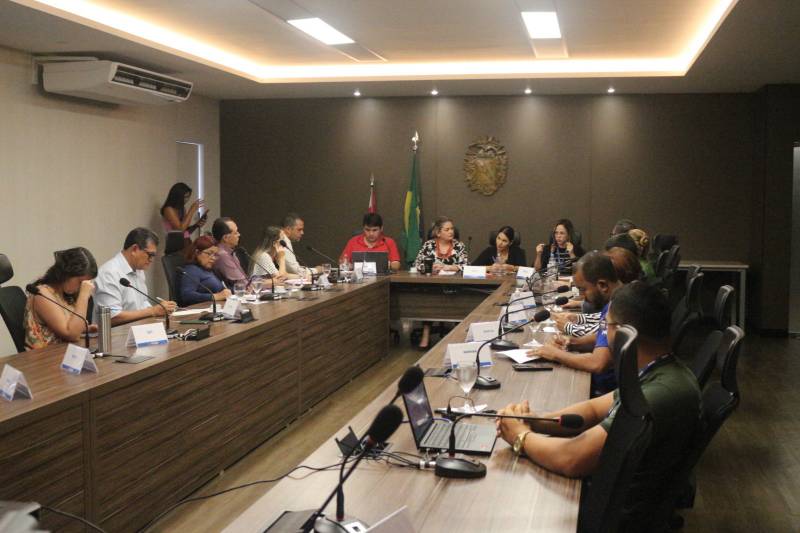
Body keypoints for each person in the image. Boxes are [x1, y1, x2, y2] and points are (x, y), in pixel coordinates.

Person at [496, 281, 701, 529]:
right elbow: (593, 410)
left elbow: (572, 458)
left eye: (606, 326)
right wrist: (534, 420)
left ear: (625, 334)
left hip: (614, 515)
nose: (603, 334)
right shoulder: (658, 371)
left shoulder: (661, 392)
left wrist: (521, 437)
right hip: (614, 494)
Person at [529, 252, 623, 396]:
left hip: (605, 391)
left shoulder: (620, 307)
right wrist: (572, 343)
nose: (582, 297)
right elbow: (603, 337)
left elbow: (598, 363)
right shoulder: (614, 302)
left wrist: (556, 354)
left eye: (583, 289)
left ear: (603, 285)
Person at [94, 228, 177, 326]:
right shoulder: (109, 273)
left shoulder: (139, 270)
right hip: (115, 333)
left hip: (137, 329)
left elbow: (143, 304)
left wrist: (161, 310)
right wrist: (153, 311)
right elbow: (112, 317)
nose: (151, 260)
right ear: (134, 249)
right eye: (150, 255)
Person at [24, 247, 98, 350]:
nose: (82, 287)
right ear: (67, 274)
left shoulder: (64, 294)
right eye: (81, 282)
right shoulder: (41, 294)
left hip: (63, 352)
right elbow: (71, 335)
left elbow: (65, 326)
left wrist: (85, 329)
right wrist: (84, 295)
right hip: (44, 356)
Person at [413, 216, 469, 349]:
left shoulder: (459, 246)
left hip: (455, 285)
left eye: (452, 229)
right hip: (432, 285)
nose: (451, 232)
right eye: (447, 229)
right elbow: (417, 264)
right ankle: (426, 332)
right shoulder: (428, 245)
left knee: (459, 300)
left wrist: (448, 267)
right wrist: (430, 268)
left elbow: (466, 265)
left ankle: (457, 336)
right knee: (429, 299)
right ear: (438, 233)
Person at [179, 236, 232, 306]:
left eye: (215, 255)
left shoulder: (210, 269)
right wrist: (215, 296)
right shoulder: (192, 270)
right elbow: (187, 295)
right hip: (200, 310)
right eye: (209, 253)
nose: (213, 258)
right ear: (197, 252)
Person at [211, 217, 248, 288]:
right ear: (225, 238)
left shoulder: (229, 252)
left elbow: (245, 280)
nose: (239, 234)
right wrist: (267, 283)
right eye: (236, 233)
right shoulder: (222, 255)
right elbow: (242, 283)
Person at [279, 213, 318, 278]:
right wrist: (317, 270)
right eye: (299, 230)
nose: (302, 233)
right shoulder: (282, 241)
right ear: (288, 229)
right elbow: (294, 270)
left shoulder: (284, 239)